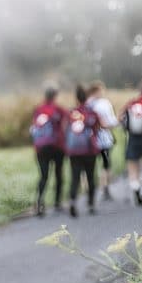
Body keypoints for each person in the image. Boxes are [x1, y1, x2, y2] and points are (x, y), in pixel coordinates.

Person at [30, 83, 67, 217]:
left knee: (44, 176)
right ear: (55, 96)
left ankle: (39, 202)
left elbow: (34, 128)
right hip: (57, 146)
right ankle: (57, 202)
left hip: (41, 148)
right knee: (58, 174)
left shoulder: (38, 110)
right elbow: (64, 128)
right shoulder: (59, 110)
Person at [65, 85, 101, 217]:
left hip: (74, 150)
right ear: (86, 97)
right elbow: (97, 128)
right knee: (90, 177)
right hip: (89, 150)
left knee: (75, 178)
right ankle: (91, 204)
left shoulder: (71, 113)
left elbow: (66, 130)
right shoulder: (91, 112)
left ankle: (73, 202)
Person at [86, 80, 119, 200]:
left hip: (89, 140)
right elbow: (111, 121)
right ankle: (105, 188)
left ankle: (89, 188)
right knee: (106, 164)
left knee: (91, 165)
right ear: (98, 91)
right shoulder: (104, 104)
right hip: (103, 139)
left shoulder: (86, 104)